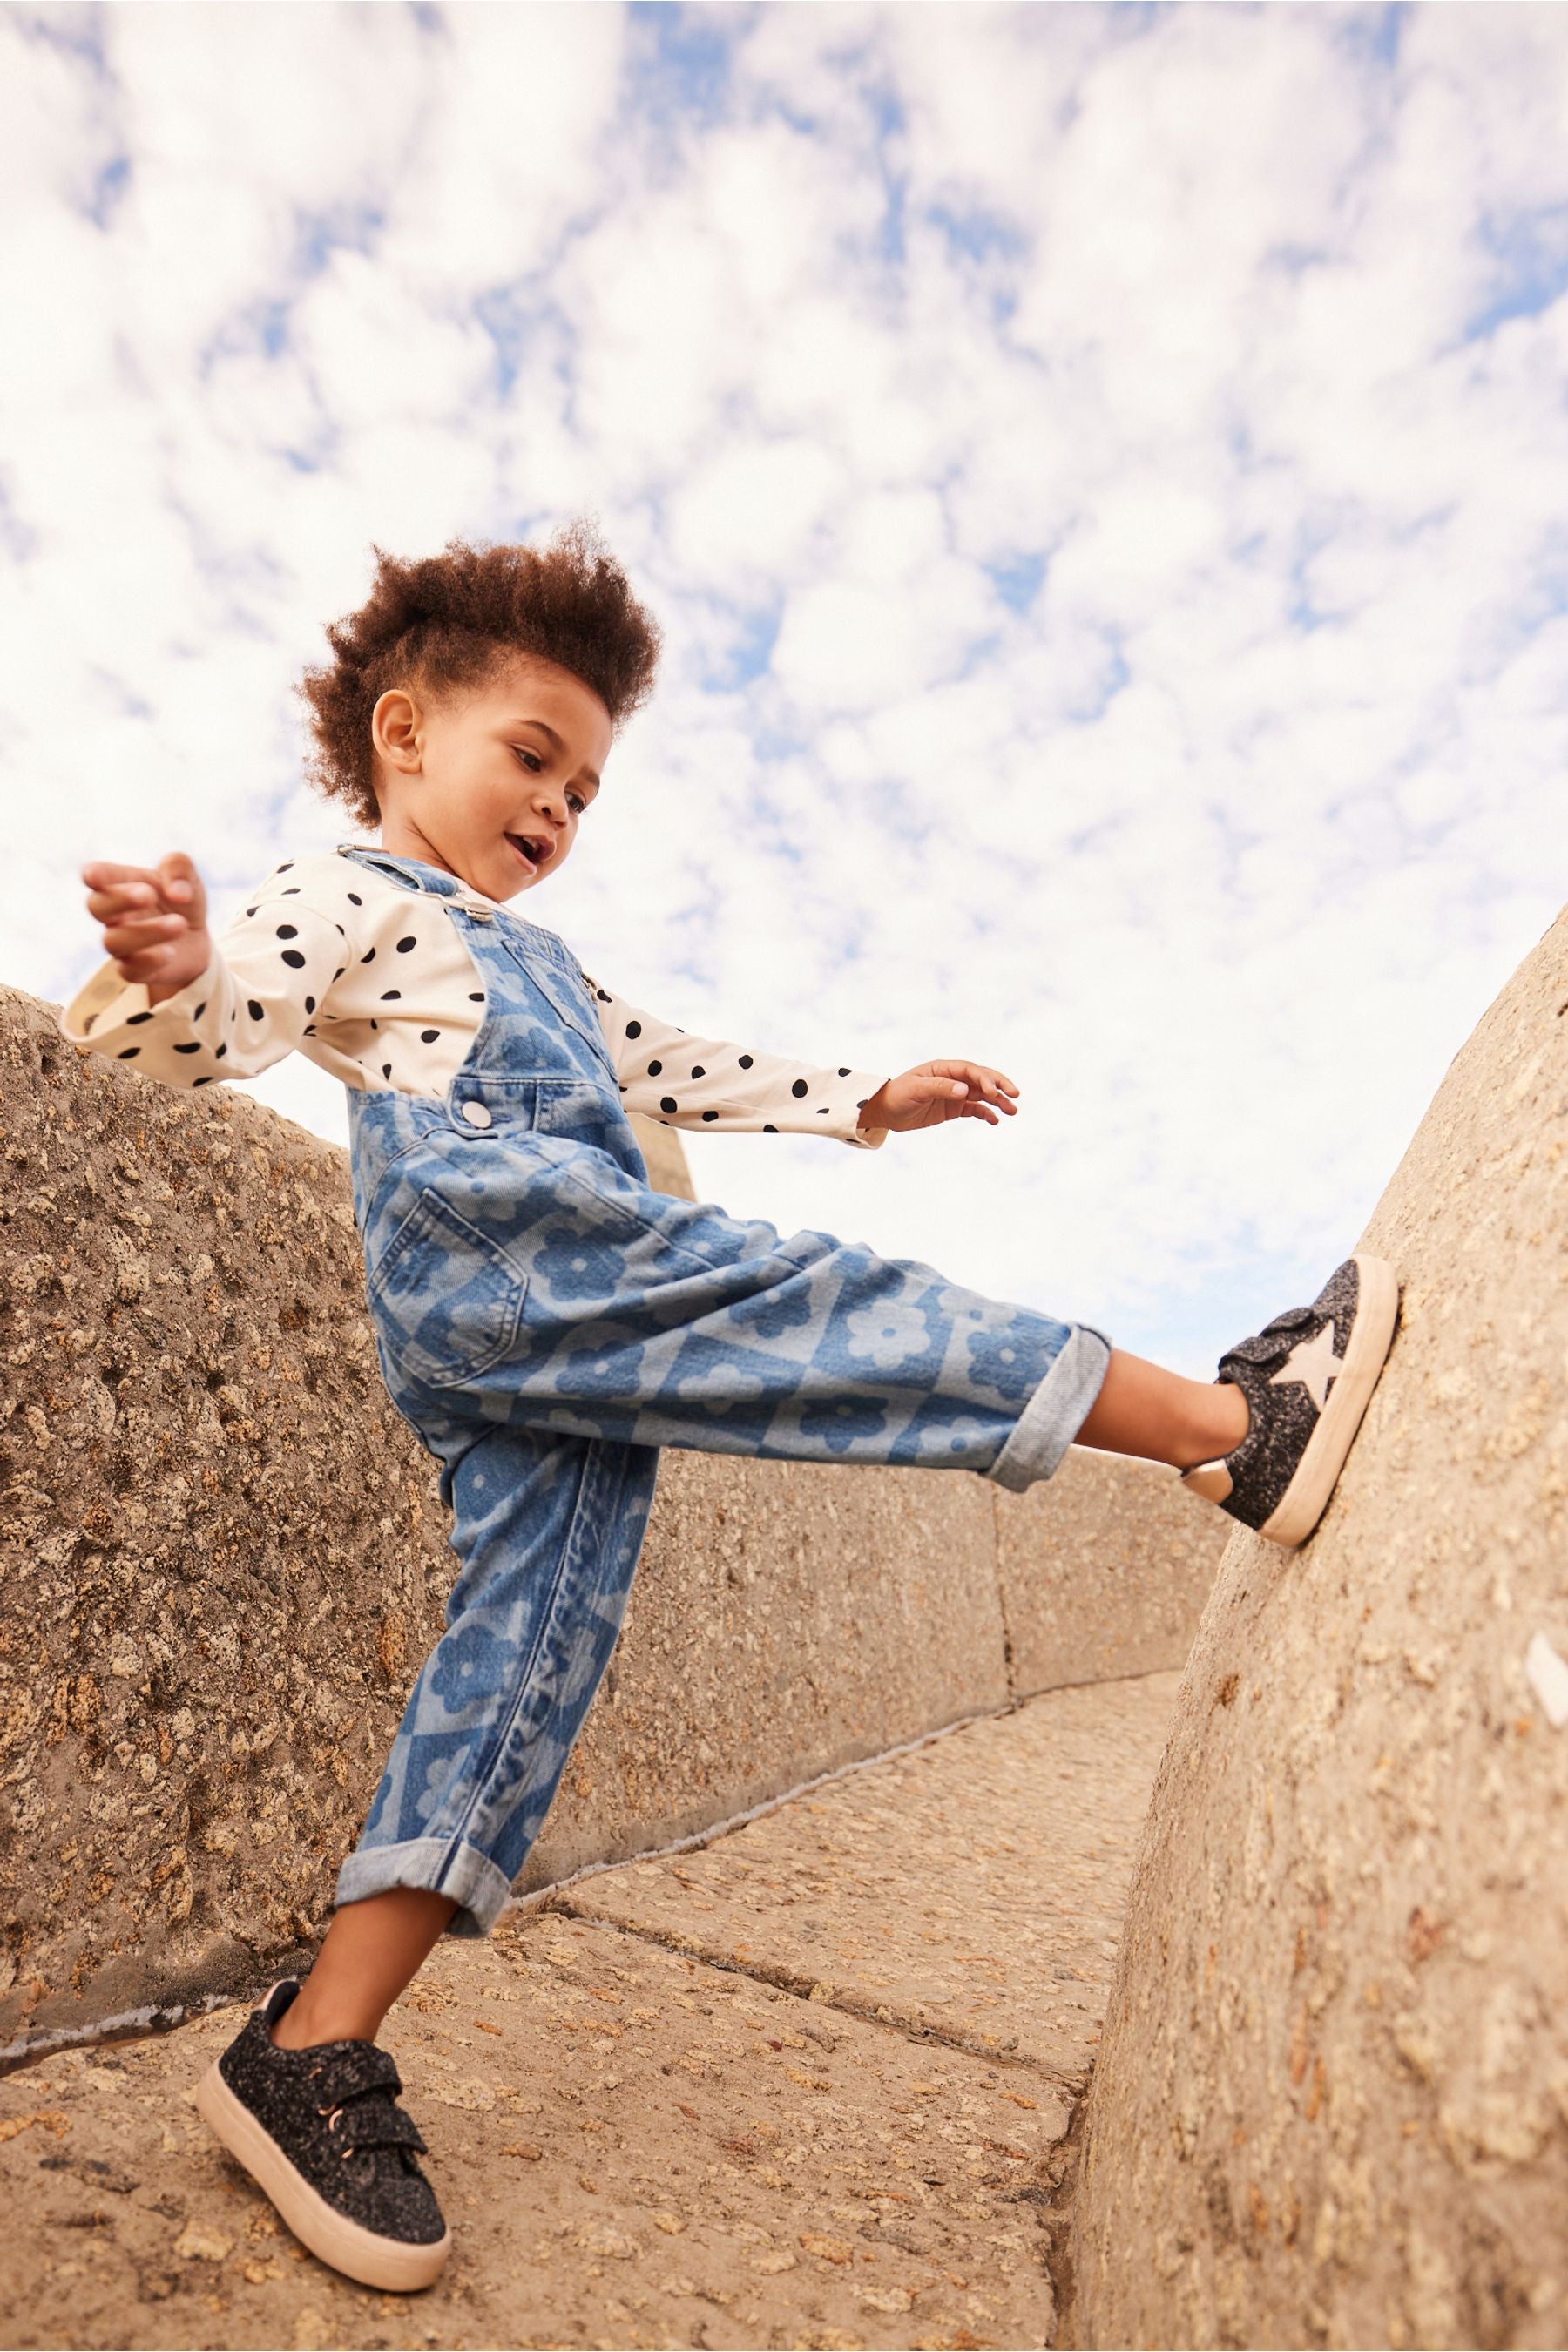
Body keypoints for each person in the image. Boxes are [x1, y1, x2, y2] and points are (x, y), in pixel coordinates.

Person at [64, 526, 1397, 2294]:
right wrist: (167, 968)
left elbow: (675, 1061)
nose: (555, 808)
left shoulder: (540, 959)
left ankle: (308, 2049)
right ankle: (1233, 1432)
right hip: (522, 1266)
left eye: (585, 791)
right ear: (404, 734)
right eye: (529, 758)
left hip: (532, 1318)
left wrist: (869, 1094)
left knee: (528, 1650)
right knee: (826, 1312)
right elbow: (219, 1023)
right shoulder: (349, 894)